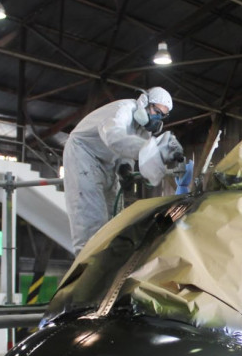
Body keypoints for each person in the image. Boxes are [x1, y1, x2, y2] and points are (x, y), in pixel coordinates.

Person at [62, 86, 183, 254]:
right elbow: (114, 137)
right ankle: (87, 266)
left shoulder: (143, 130)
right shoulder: (123, 109)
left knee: (114, 215)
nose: (157, 118)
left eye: (162, 115)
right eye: (156, 111)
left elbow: (128, 150)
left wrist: (126, 168)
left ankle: (107, 264)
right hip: (84, 153)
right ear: (145, 102)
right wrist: (155, 150)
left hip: (107, 163)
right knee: (91, 218)